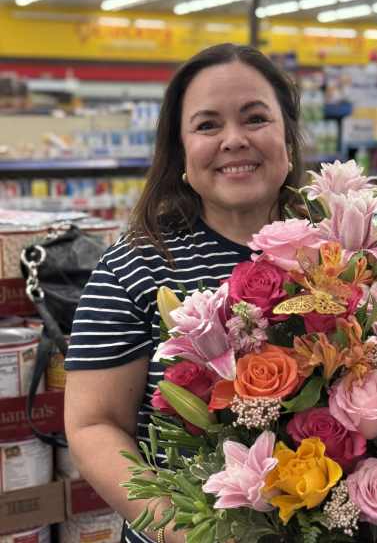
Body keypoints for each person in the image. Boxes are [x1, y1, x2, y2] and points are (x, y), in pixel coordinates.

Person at [64, 43, 304, 543]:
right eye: (208, 125)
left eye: (255, 118)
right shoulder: (134, 267)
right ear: (181, 151)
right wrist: (190, 531)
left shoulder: (342, 251)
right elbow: (93, 426)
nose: (234, 140)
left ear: (287, 136)